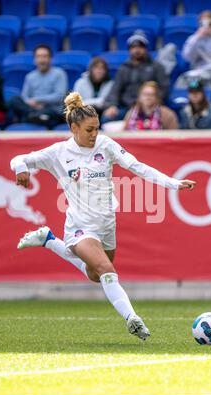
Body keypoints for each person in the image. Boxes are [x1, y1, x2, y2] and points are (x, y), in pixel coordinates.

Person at [10, 92, 196, 340]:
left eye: (97, 128)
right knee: (106, 269)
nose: (94, 134)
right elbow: (18, 159)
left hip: (107, 224)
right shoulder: (58, 152)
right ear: (74, 128)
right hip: (79, 225)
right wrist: (22, 169)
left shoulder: (106, 145)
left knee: (96, 274)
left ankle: (48, 240)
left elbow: (137, 166)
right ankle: (132, 319)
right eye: (89, 130)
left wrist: (172, 183)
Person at [102, 31, 169, 123]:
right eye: (133, 47)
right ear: (129, 50)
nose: (137, 50)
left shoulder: (156, 67)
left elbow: (164, 89)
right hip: (127, 108)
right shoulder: (123, 68)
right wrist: (112, 105)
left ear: (146, 49)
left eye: (141, 46)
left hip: (150, 108)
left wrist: (153, 103)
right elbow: (115, 90)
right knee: (106, 119)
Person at [9, 45, 68, 128]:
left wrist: (37, 100)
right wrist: (33, 104)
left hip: (51, 110)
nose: (41, 60)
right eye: (38, 57)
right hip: (33, 108)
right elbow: (24, 96)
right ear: (35, 60)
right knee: (14, 100)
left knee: (52, 112)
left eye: (45, 56)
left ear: (50, 59)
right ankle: (36, 116)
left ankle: (35, 116)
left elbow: (59, 96)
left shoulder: (59, 73)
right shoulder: (30, 76)